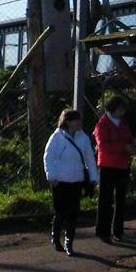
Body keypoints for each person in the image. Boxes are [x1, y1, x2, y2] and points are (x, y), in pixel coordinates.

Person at [43, 108, 97, 255]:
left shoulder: (83, 138)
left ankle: (69, 242)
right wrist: (52, 176)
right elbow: (48, 157)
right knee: (60, 211)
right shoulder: (56, 137)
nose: (78, 122)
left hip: (77, 180)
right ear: (67, 122)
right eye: (76, 120)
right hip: (60, 180)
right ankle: (55, 237)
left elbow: (90, 158)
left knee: (73, 212)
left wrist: (93, 177)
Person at [93, 94, 135, 242]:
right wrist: (124, 147)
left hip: (122, 164)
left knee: (121, 199)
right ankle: (103, 230)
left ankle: (118, 230)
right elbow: (103, 145)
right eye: (120, 109)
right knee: (105, 199)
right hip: (107, 165)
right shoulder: (102, 124)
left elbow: (129, 138)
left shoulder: (122, 123)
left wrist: (131, 147)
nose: (122, 113)